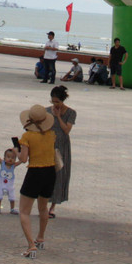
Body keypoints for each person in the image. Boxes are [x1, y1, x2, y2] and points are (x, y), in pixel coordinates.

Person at [16, 103, 58, 258]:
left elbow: (24, 158)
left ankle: (31, 245)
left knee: (24, 211)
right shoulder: (51, 134)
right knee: (43, 208)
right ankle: (40, 237)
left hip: (35, 172)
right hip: (50, 172)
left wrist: (18, 150)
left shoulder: (27, 136)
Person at [48, 85, 77, 218]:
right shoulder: (46, 111)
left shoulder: (71, 113)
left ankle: (53, 206)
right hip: (48, 145)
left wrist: (59, 117)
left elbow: (66, 130)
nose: (55, 104)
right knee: (46, 174)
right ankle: (43, 203)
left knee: (59, 175)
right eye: (53, 101)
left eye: (57, 102)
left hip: (62, 146)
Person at [0, 146, 22, 215]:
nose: (10, 159)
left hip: (10, 184)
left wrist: (21, 153)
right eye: (8, 157)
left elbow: (21, 160)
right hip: (1, 183)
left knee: (12, 196)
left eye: (13, 158)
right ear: (4, 158)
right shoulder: (2, 163)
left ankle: (12, 209)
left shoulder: (13, 165)